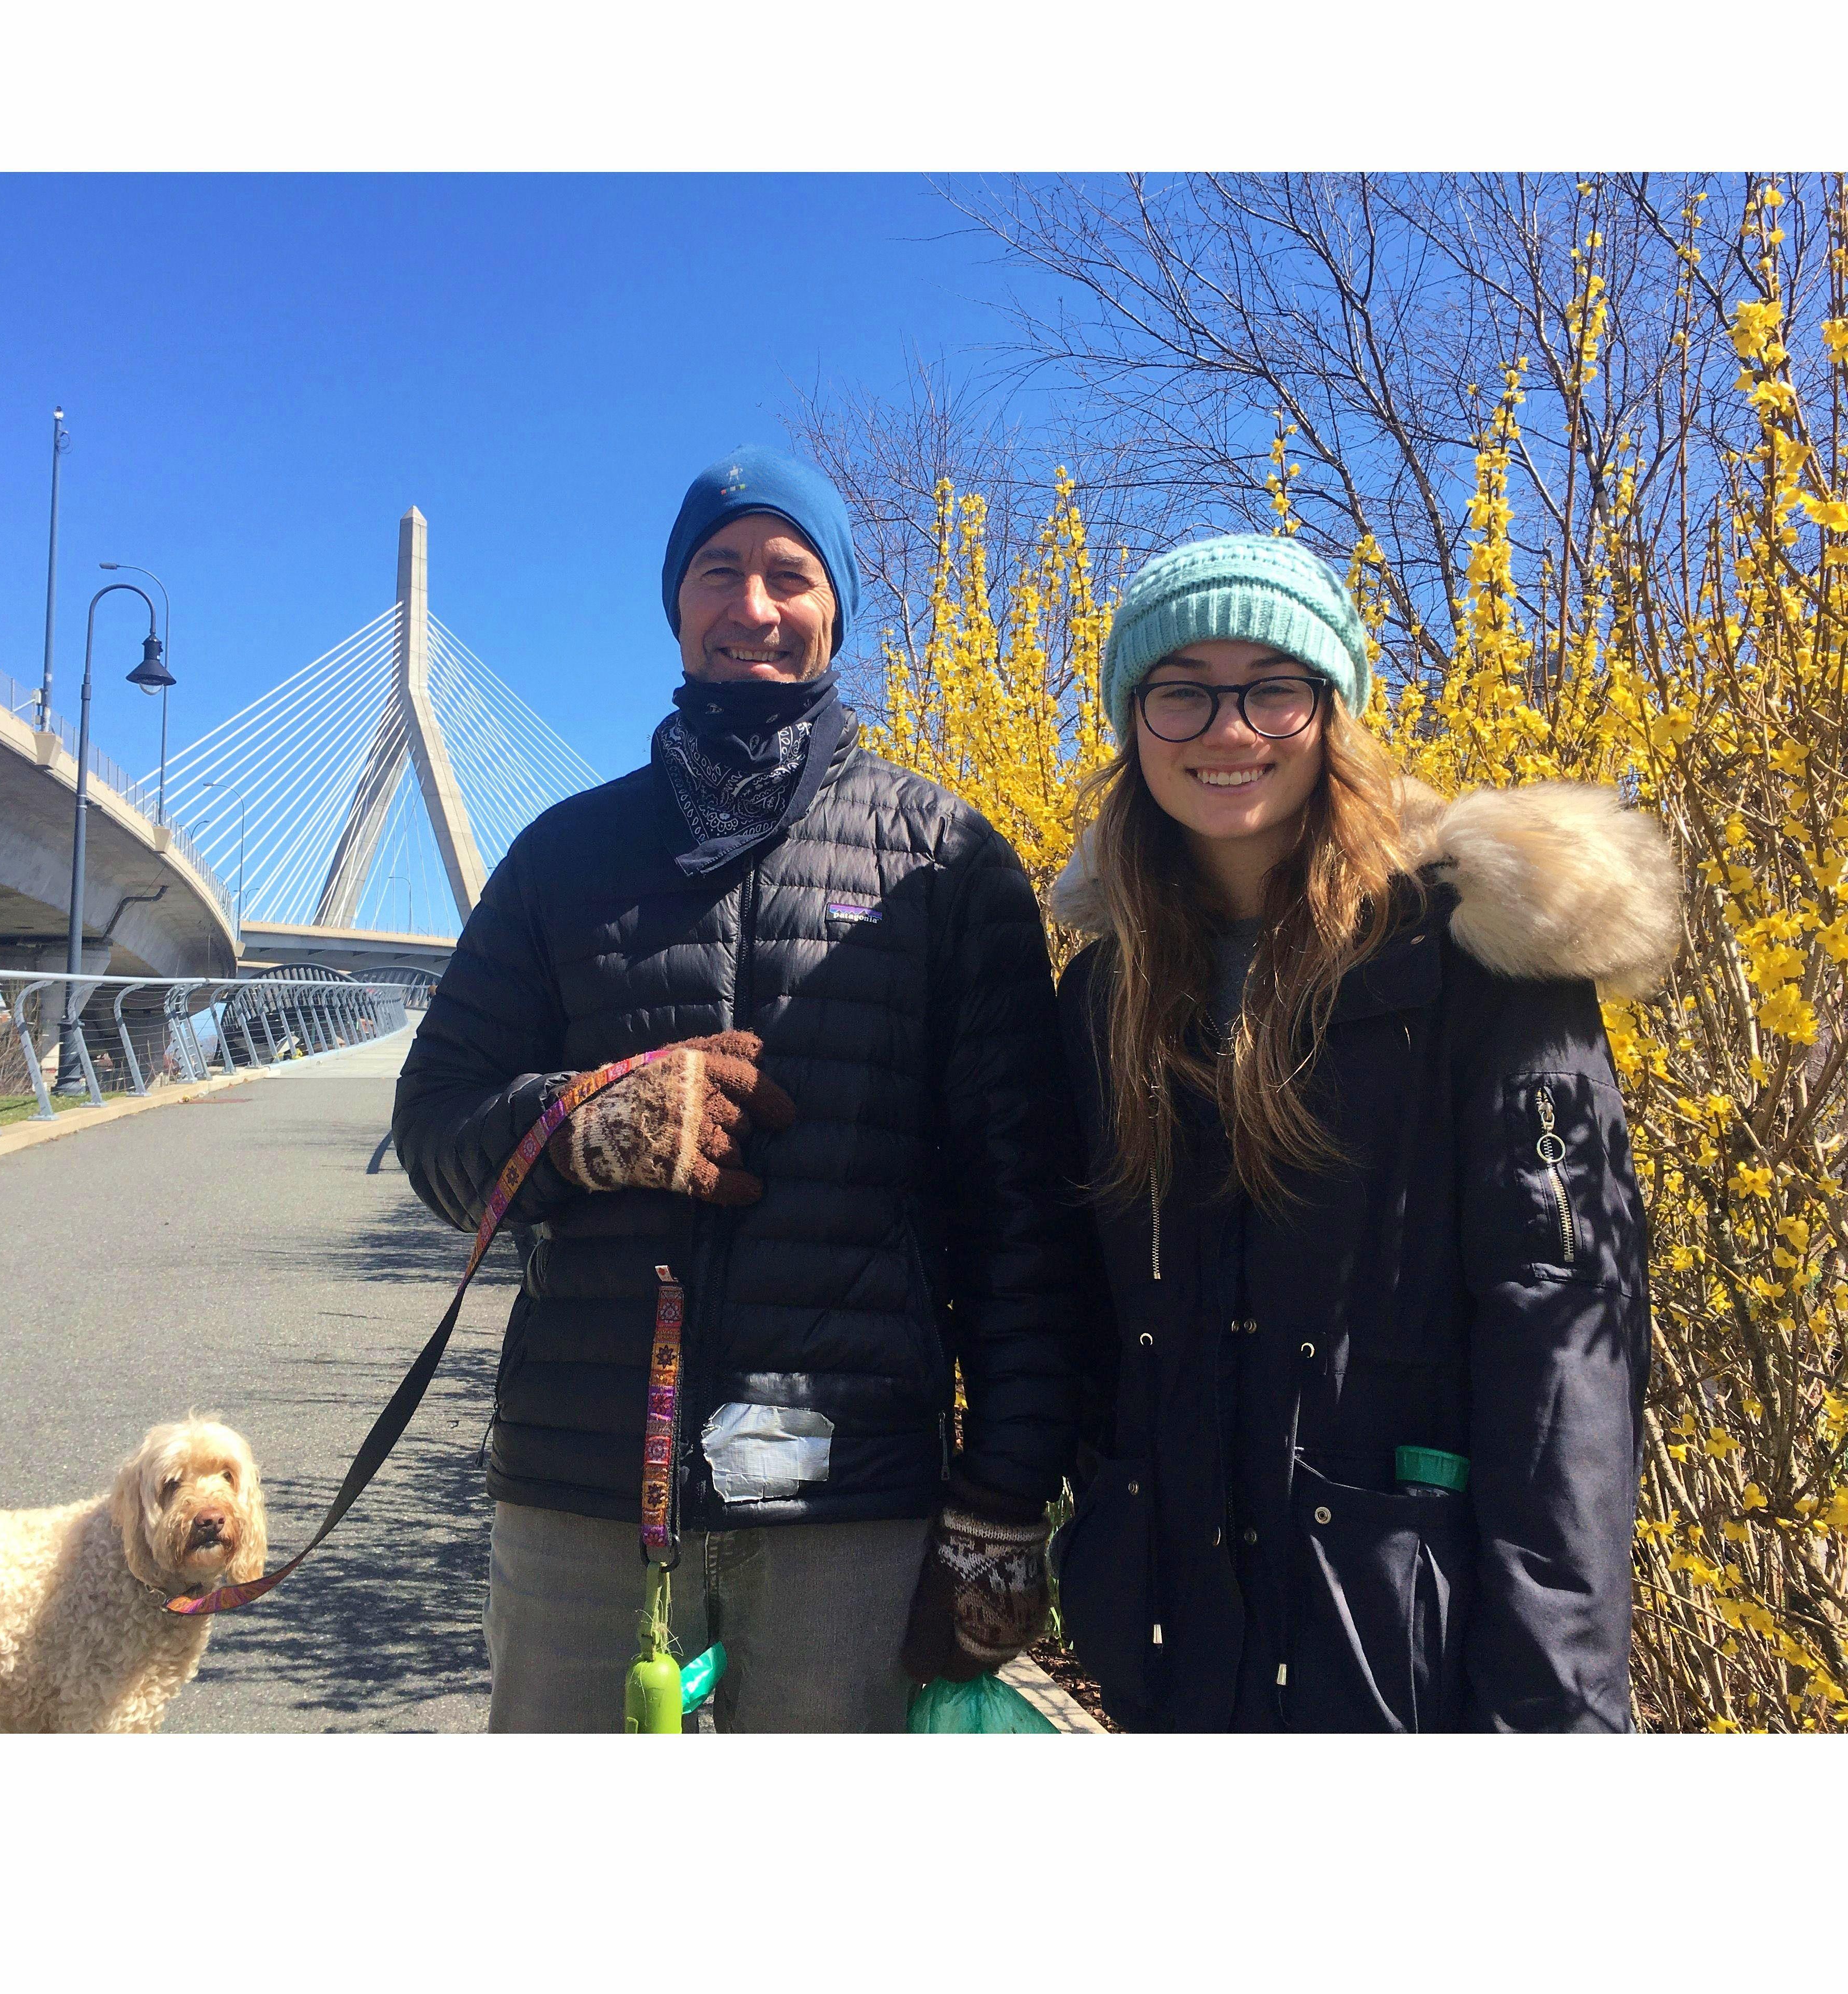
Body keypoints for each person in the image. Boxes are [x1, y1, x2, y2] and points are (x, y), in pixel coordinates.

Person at [393, 446, 1084, 1731]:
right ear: (676, 605)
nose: (753, 606)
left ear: (837, 613)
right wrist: (586, 1126)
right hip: (582, 1488)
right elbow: (434, 1131)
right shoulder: (562, 860)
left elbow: (1019, 1215)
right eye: (719, 572)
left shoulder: (948, 863)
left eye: (790, 574)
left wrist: (1003, 1498)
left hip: (851, 1505)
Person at [1049, 533, 1678, 1732]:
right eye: (1180, 691)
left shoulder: (1475, 958)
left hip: (1405, 1640)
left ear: (1333, 713)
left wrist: (1559, 1696)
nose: (1228, 731)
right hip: (1175, 1642)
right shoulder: (1106, 994)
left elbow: (1560, 1332)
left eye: (1273, 688)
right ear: (1134, 727)